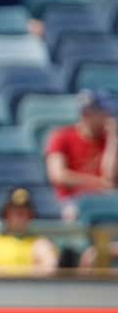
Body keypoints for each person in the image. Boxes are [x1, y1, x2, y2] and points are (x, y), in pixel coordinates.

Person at [45, 90, 118, 222]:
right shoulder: (62, 136)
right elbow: (58, 175)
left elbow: (110, 177)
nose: (108, 117)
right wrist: (97, 183)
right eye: (103, 112)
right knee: (73, 212)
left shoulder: (109, 140)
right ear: (87, 114)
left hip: (104, 199)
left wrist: (113, 139)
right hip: (71, 201)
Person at [0, 187, 59, 276]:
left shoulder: (40, 244)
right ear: (6, 214)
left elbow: (50, 269)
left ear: (30, 216)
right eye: (15, 212)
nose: (20, 217)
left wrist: (6, 272)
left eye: (24, 213)